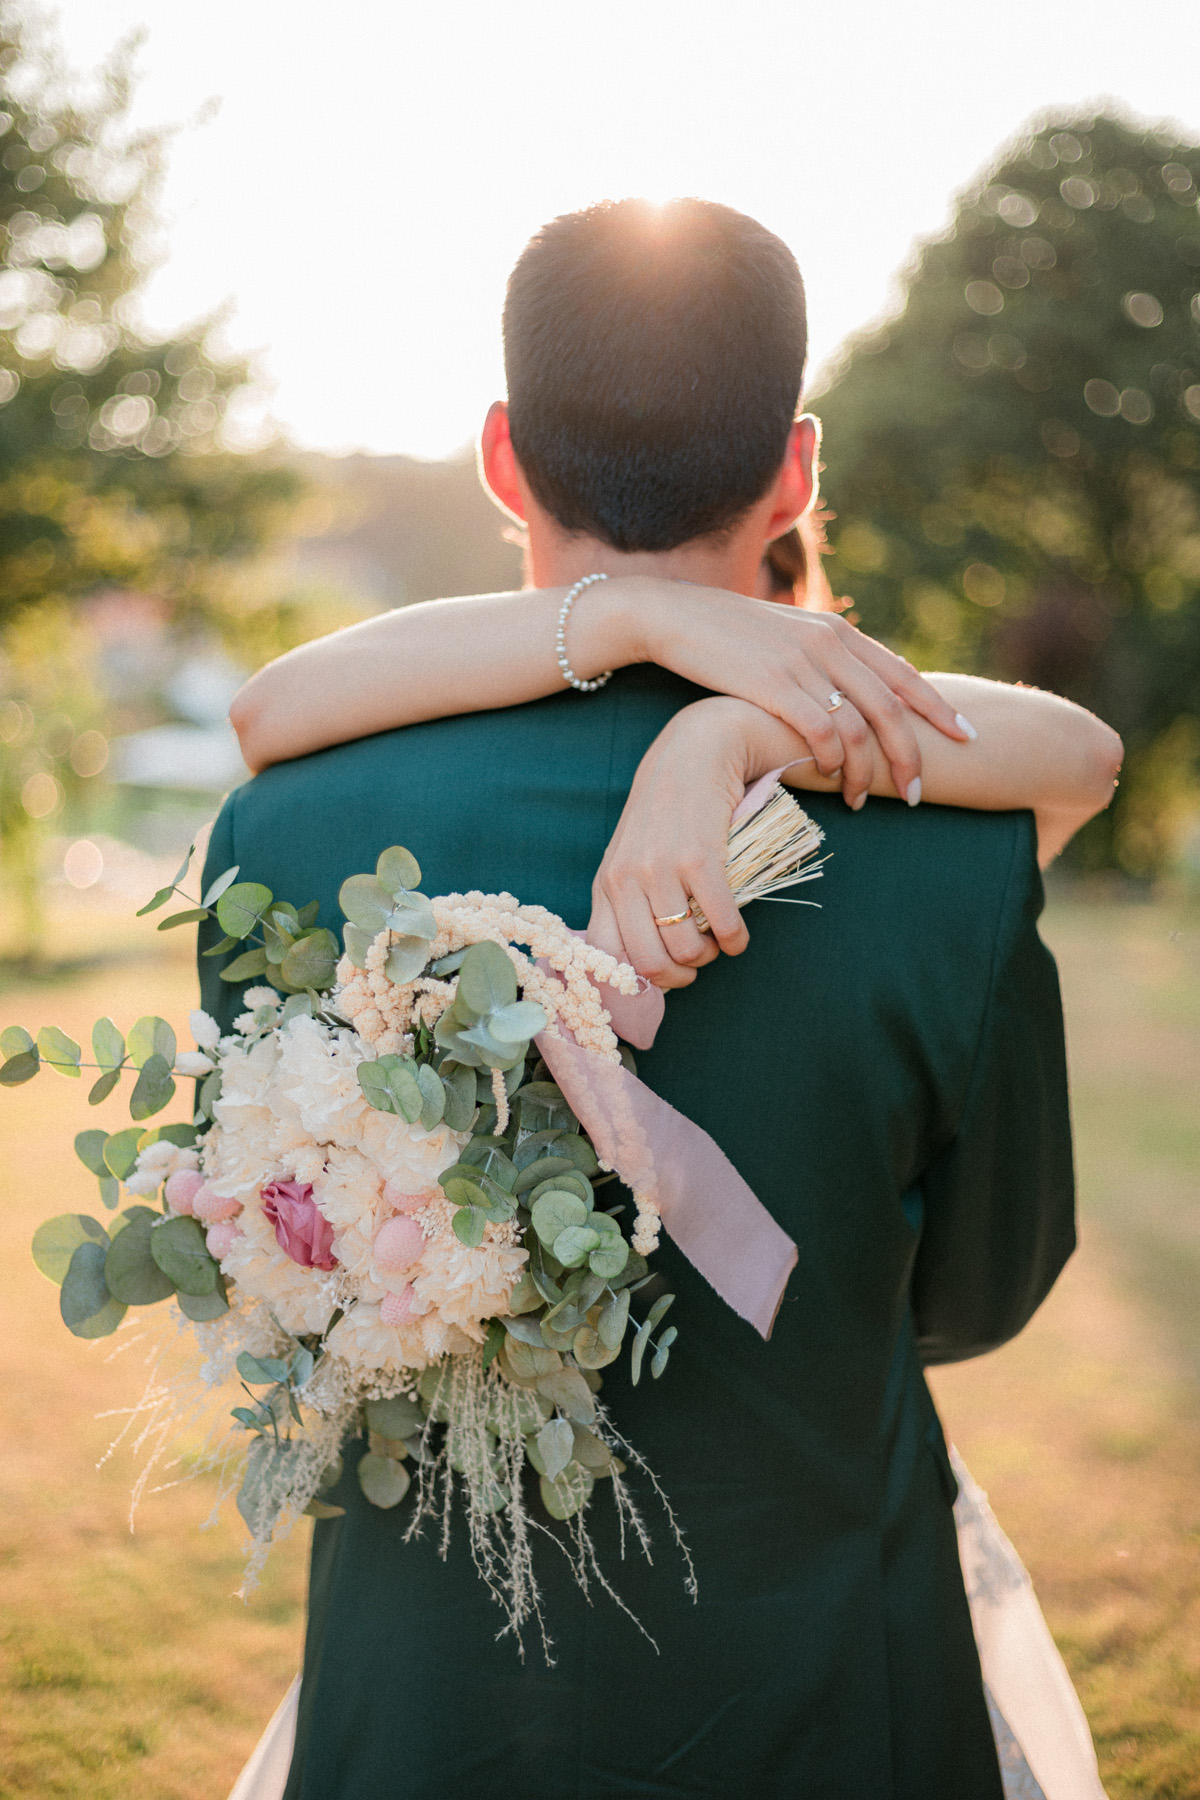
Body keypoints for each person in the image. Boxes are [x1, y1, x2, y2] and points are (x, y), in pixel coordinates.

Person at [203, 198, 1120, 1800]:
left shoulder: (282, 834)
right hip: (833, 1699)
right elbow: (985, 1288)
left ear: (501, 459)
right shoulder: (945, 861)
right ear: (798, 470)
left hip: (420, 1716)